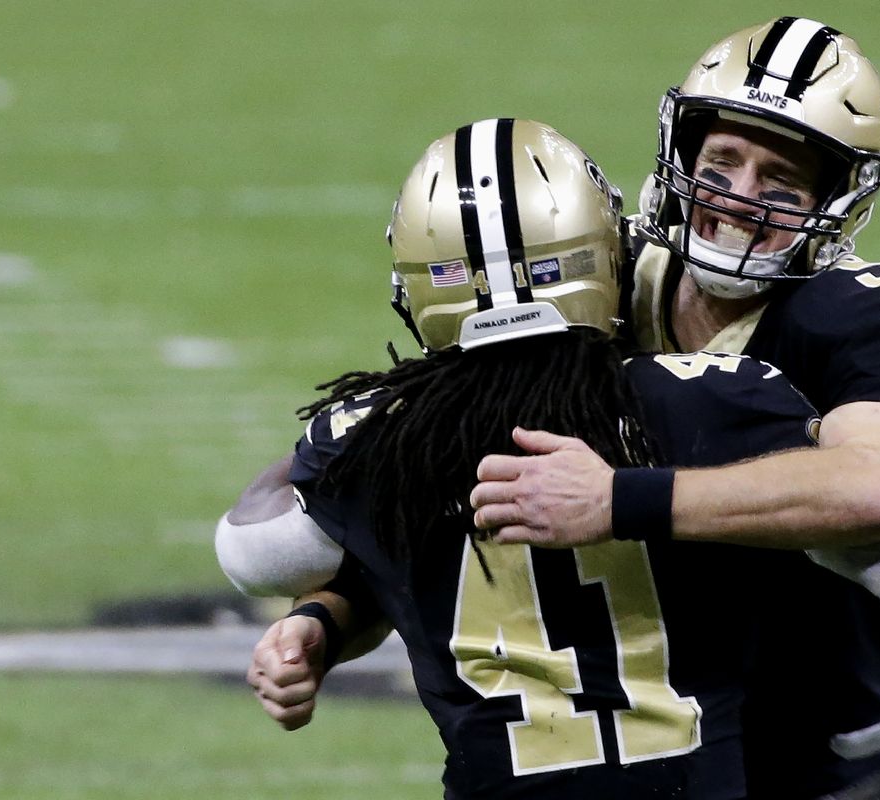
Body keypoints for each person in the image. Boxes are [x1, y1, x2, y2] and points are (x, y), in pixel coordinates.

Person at [218, 118, 837, 799]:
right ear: (604, 250)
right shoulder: (716, 401)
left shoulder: (376, 445)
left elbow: (260, 553)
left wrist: (325, 603)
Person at [467, 18, 880, 800]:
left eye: (780, 182)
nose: (739, 198)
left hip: (806, 725)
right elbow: (450, 436)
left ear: (838, 199)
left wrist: (619, 499)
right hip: (620, 728)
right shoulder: (599, 276)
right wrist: (330, 615)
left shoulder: (861, 312)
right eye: (722, 162)